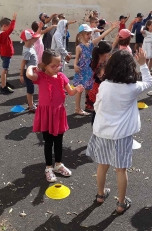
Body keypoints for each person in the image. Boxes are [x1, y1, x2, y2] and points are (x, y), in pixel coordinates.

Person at [86, 48, 152, 214]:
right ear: (130, 67)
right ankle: (121, 203)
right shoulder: (132, 87)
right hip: (122, 135)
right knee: (121, 170)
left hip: (102, 131)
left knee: (103, 165)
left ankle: (100, 195)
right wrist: (143, 65)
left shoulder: (105, 85)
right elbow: (149, 83)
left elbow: (97, 105)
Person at [26, 49, 84, 182]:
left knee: (59, 141)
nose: (57, 68)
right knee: (48, 142)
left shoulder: (62, 77)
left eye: (59, 65)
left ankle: (58, 164)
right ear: (44, 65)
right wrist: (31, 66)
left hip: (58, 113)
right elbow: (29, 75)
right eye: (54, 66)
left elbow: (70, 92)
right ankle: (48, 167)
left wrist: (77, 89)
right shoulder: (40, 76)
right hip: (46, 114)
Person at [73, 22, 118, 116]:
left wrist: (111, 28)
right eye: (87, 34)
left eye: (90, 33)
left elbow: (101, 37)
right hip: (82, 72)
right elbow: (76, 59)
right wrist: (75, 65)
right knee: (79, 90)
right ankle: (77, 108)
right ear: (81, 34)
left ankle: (88, 105)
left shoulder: (91, 44)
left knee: (89, 89)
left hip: (89, 71)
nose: (89, 35)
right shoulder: (79, 47)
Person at [85, 41, 112, 123]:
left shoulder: (94, 61)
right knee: (98, 111)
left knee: (96, 111)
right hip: (99, 90)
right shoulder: (102, 66)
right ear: (105, 54)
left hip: (94, 88)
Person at [19, 29, 40, 113]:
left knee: (33, 87)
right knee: (30, 89)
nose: (35, 40)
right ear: (28, 39)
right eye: (33, 38)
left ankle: (31, 104)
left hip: (33, 71)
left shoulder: (31, 46)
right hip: (28, 73)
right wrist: (21, 75)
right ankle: (31, 106)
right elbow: (23, 63)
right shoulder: (27, 51)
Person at [0, 12, 17, 94]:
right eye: (8, 26)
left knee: (6, 70)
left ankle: (4, 82)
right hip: (6, 55)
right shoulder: (3, 34)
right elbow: (11, 29)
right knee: (4, 70)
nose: (10, 29)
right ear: (4, 26)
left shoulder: (3, 34)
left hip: (6, 54)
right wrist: (14, 20)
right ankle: (3, 86)